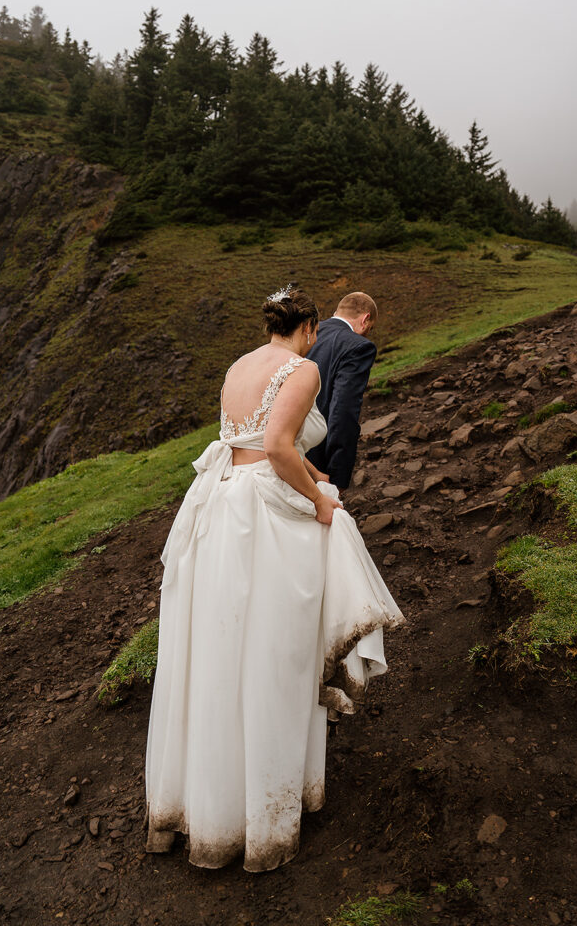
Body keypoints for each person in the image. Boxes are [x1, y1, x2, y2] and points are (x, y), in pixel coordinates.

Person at [144, 285, 403, 873]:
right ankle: (269, 794)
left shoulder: (240, 365)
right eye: (314, 330)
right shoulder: (301, 369)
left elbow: (245, 439)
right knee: (278, 632)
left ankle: (206, 800)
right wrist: (318, 499)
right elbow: (281, 449)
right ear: (308, 325)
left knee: (220, 638)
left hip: (220, 498)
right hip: (260, 505)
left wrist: (310, 472)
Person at [305, 292, 378, 490]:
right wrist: (338, 476)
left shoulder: (305, 333)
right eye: (369, 329)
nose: (366, 334)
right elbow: (343, 411)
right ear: (365, 319)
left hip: (277, 450)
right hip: (317, 459)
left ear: (337, 311)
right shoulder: (358, 347)